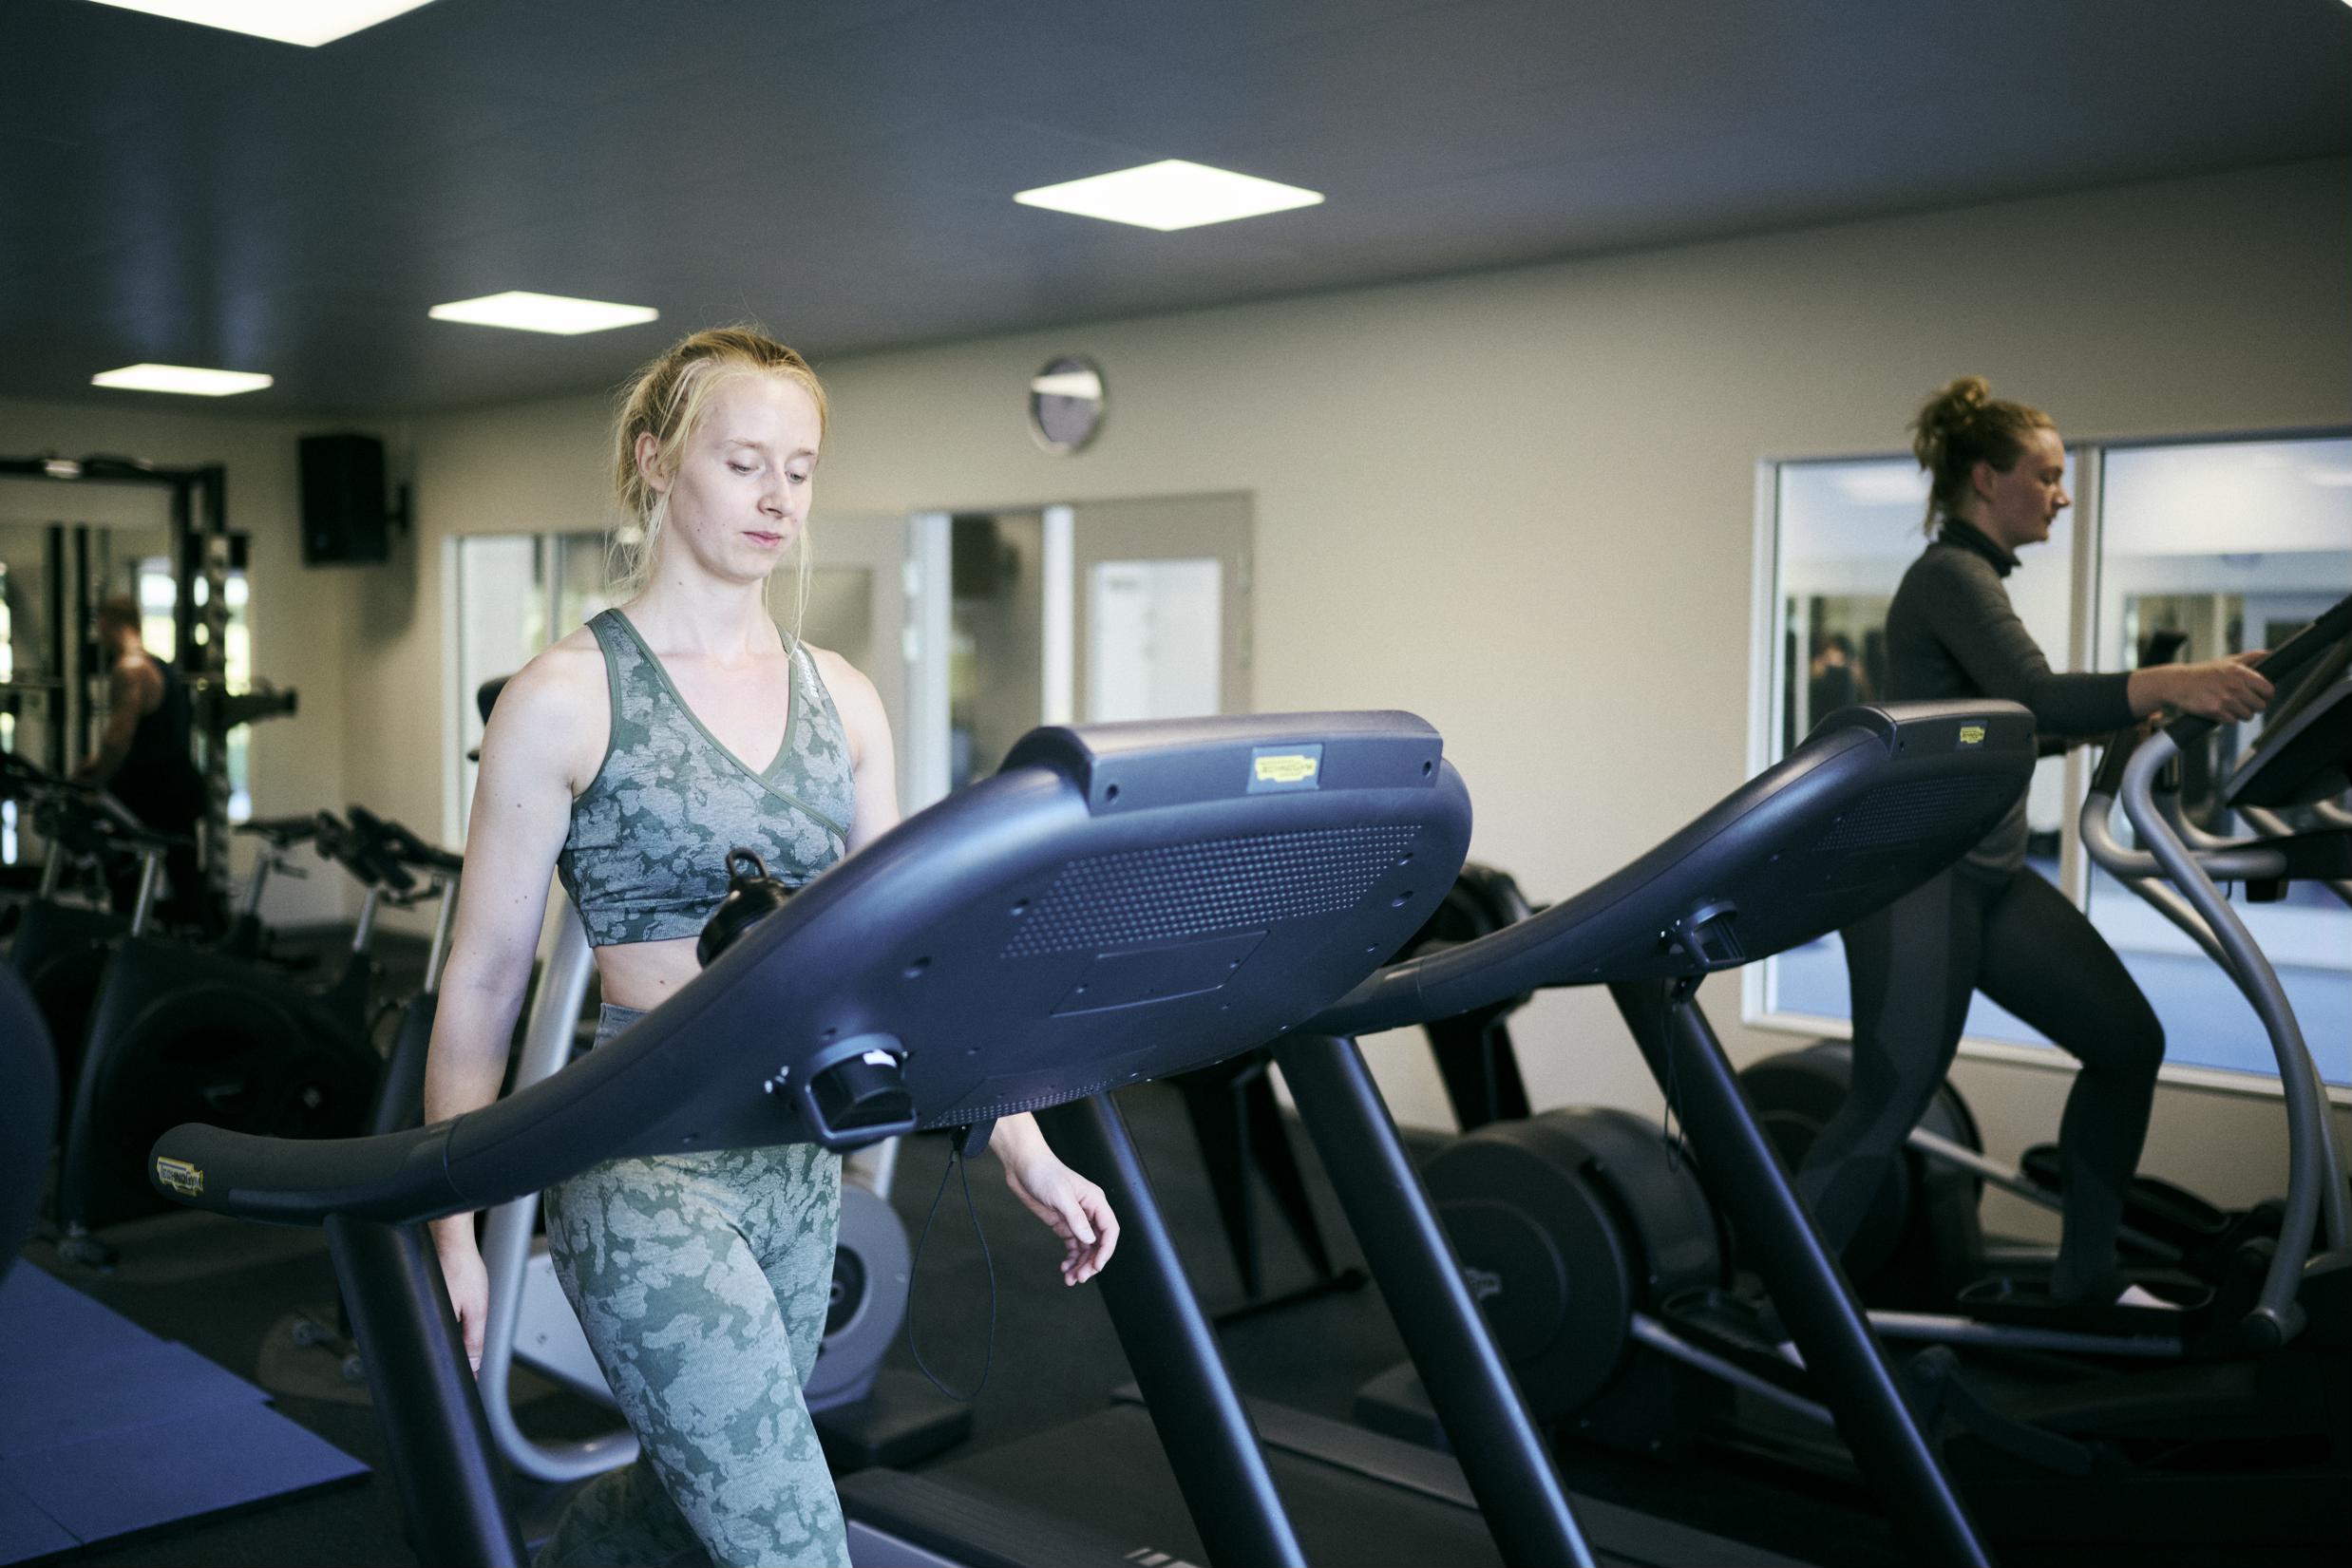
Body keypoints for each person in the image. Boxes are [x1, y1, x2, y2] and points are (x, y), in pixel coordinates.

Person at [425, 327, 1119, 1568]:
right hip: (641, 1157)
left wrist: (1022, 1134)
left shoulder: (844, 697)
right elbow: (482, 976)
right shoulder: (565, 696)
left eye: (799, 468)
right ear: (656, 462)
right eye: (744, 461)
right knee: (792, 1538)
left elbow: (918, 957)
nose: (776, 497)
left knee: (690, 1495)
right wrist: (453, 1228)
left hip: (803, 1163)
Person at [1795, 376, 2272, 1309]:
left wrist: (2128, 722)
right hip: (1916, 879)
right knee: (1887, 1101)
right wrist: (2173, 680)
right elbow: (2039, 694)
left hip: (1991, 875)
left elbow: (1996, 725)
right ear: (1985, 478)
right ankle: (1775, 1317)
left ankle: (2085, 1281)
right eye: (2047, 475)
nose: (2062, 493)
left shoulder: (1970, 581)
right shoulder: (1945, 575)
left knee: (2126, 1042)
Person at [75, 592, 208, 925]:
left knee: (127, 888)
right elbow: (153, 734)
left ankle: (128, 962)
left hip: (146, 797)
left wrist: (96, 783)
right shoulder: (160, 665)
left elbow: (119, 738)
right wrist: (97, 759)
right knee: (186, 883)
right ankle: (197, 957)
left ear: (104, 624)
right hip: (177, 789)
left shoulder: (128, 670)